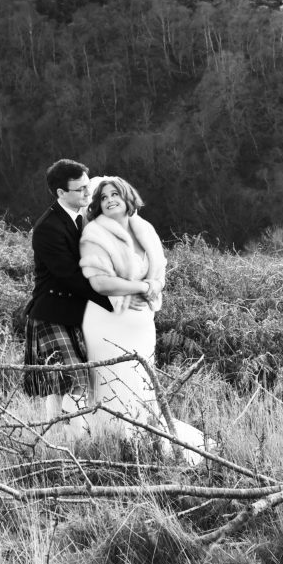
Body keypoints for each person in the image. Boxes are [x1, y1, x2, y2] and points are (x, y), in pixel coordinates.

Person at [79, 176, 206, 463]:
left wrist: (152, 288)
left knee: (142, 385)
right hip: (106, 322)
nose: (110, 199)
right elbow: (100, 283)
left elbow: (158, 274)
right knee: (113, 383)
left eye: (116, 194)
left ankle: (146, 442)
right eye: (103, 197)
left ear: (128, 198)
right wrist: (141, 288)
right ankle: (114, 447)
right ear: (97, 205)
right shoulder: (94, 235)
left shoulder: (144, 230)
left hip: (141, 322)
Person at [23, 159, 118, 423]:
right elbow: (70, 276)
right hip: (51, 314)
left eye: (88, 186)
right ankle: (65, 440)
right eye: (81, 190)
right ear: (61, 193)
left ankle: (67, 436)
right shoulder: (48, 228)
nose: (88, 194)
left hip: (76, 314)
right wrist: (111, 301)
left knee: (75, 383)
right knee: (73, 380)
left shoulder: (82, 219)